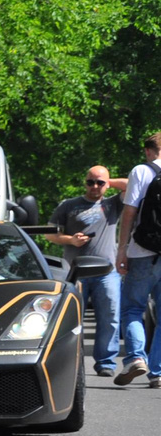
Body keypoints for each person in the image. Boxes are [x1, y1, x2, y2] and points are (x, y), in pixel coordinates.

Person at [48, 165, 123, 376]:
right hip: (76, 272)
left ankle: (106, 363)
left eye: (100, 183)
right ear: (84, 183)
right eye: (90, 182)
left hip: (107, 272)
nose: (94, 187)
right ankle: (72, 361)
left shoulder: (113, 204)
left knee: (110, 316)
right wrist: (70, 239)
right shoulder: (69, 205)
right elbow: (51, 234)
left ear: (107, 184)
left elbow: (132, 184)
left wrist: (109, 181)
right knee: (73, 320)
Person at [113, 133, 161, 387]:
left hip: (143, 251)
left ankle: (135, 358)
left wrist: (122, 249)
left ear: (148, 151)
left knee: (133, 308)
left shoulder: (141, 171)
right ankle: (159, 372)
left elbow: (129, 211)